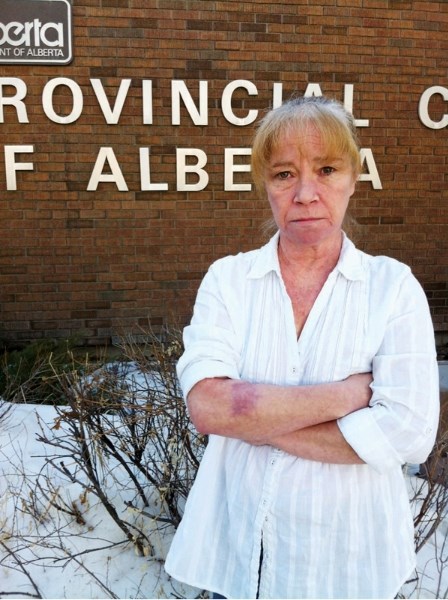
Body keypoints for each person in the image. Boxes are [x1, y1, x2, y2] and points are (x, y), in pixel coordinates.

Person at [164, 96, 440, 599]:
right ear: (266, 186)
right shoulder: (229, 280)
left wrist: (252, 420)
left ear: (354, 179)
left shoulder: (392, 288)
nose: (306, 193)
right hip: (244, 554)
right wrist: (346, 396)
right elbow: (207, 406)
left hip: (351, 558)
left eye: (327, 169)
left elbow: (409, 432)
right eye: (285, 174)